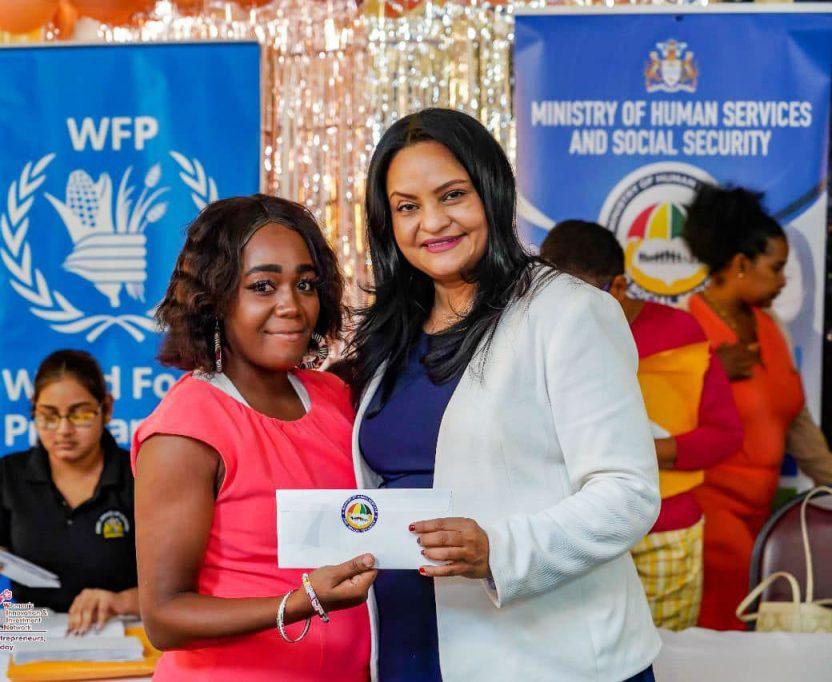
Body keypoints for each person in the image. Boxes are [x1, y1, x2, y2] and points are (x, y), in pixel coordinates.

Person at [346, 108, 661, 681]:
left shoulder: (567, 312)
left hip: (547, 656)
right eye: (407, 207)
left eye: (452, 195)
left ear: (492, 192)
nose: (433, 222)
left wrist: (501, 549)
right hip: (409, 644)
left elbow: (628, 493)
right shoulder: (388, 333)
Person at [131, 195, 375, 681]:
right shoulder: (188, 427)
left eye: (305, 284)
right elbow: (164, 618)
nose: (291, 305)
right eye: (263, 286)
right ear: (217, 299)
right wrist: (300, 604)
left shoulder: (334, 397)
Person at [540, 220, 743, 630]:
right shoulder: (539, 335)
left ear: (617, 286)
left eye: (578, 298)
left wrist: (637, 451)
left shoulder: (679, 333)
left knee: (666, 658)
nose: (563, 313)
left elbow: (724, 436)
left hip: (664, 529)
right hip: (575, 529)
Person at [682, 185, 832, 630]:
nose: (784, 280)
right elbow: (655, 428)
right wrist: (704, 371)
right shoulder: (686, 331)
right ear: (741, 265)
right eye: (777, 267)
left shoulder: (774, 328)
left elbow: (799, 428)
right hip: (709, 517)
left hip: (763, 518)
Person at [0, 349, 139, 635]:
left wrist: (121, 602)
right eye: (48, 416)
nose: (63, 430)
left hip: (124, 632)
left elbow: (180, 588)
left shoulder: (139, 474)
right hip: (35, 636)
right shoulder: (8, 476)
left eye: (80, 415)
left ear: (107, 409)